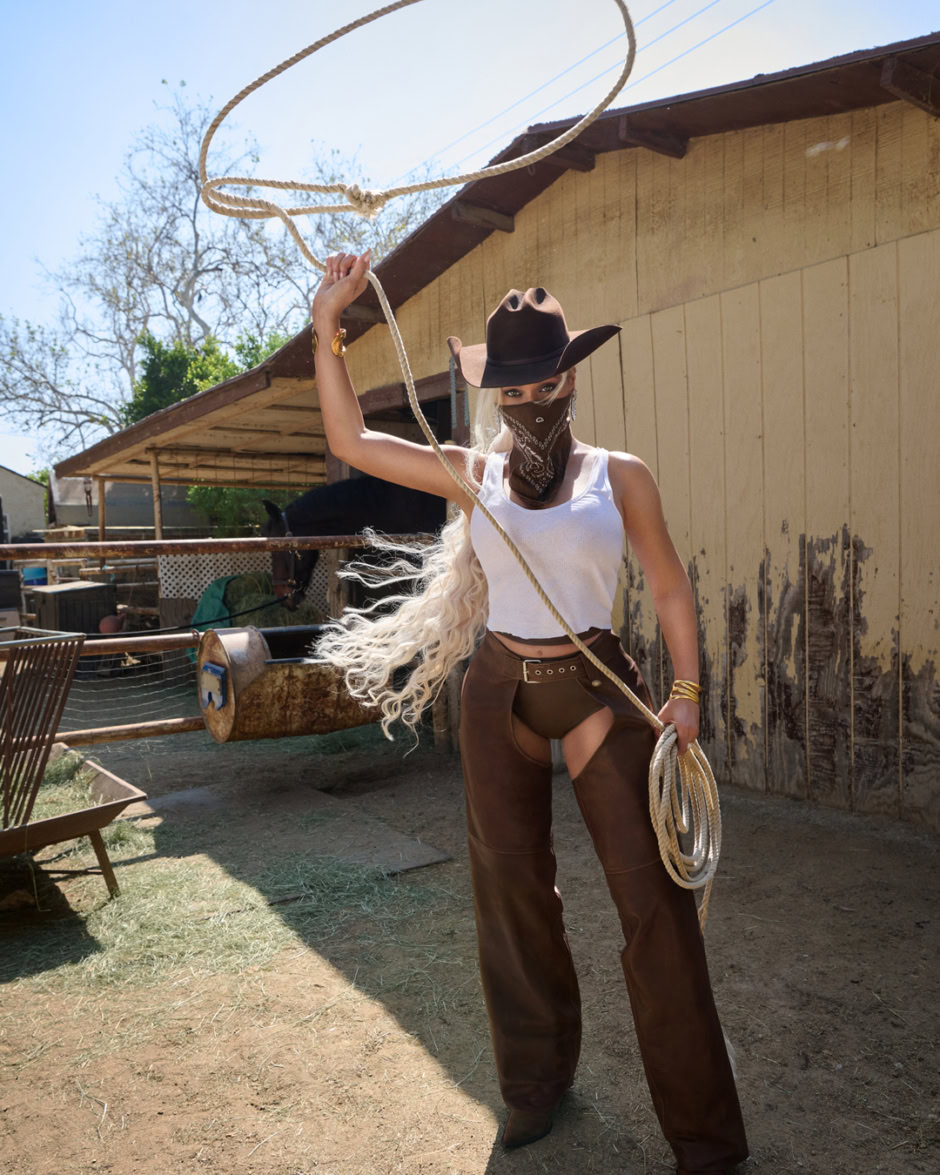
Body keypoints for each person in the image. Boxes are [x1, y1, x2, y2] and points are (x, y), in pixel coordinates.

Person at [311, 250, 749, 1175]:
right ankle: (533, 1090)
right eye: (513, 388)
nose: (531, 400)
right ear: (496, 391)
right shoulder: (471, 470)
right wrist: (329, 326)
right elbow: (351, 441)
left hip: (598, 687)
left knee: (654, 908)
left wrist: (686, 692)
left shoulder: (619, 475)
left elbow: (670, 589)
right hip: (498, 690)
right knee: (511, 900)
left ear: (571, 375)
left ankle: (707, 1139)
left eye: (545, 381)